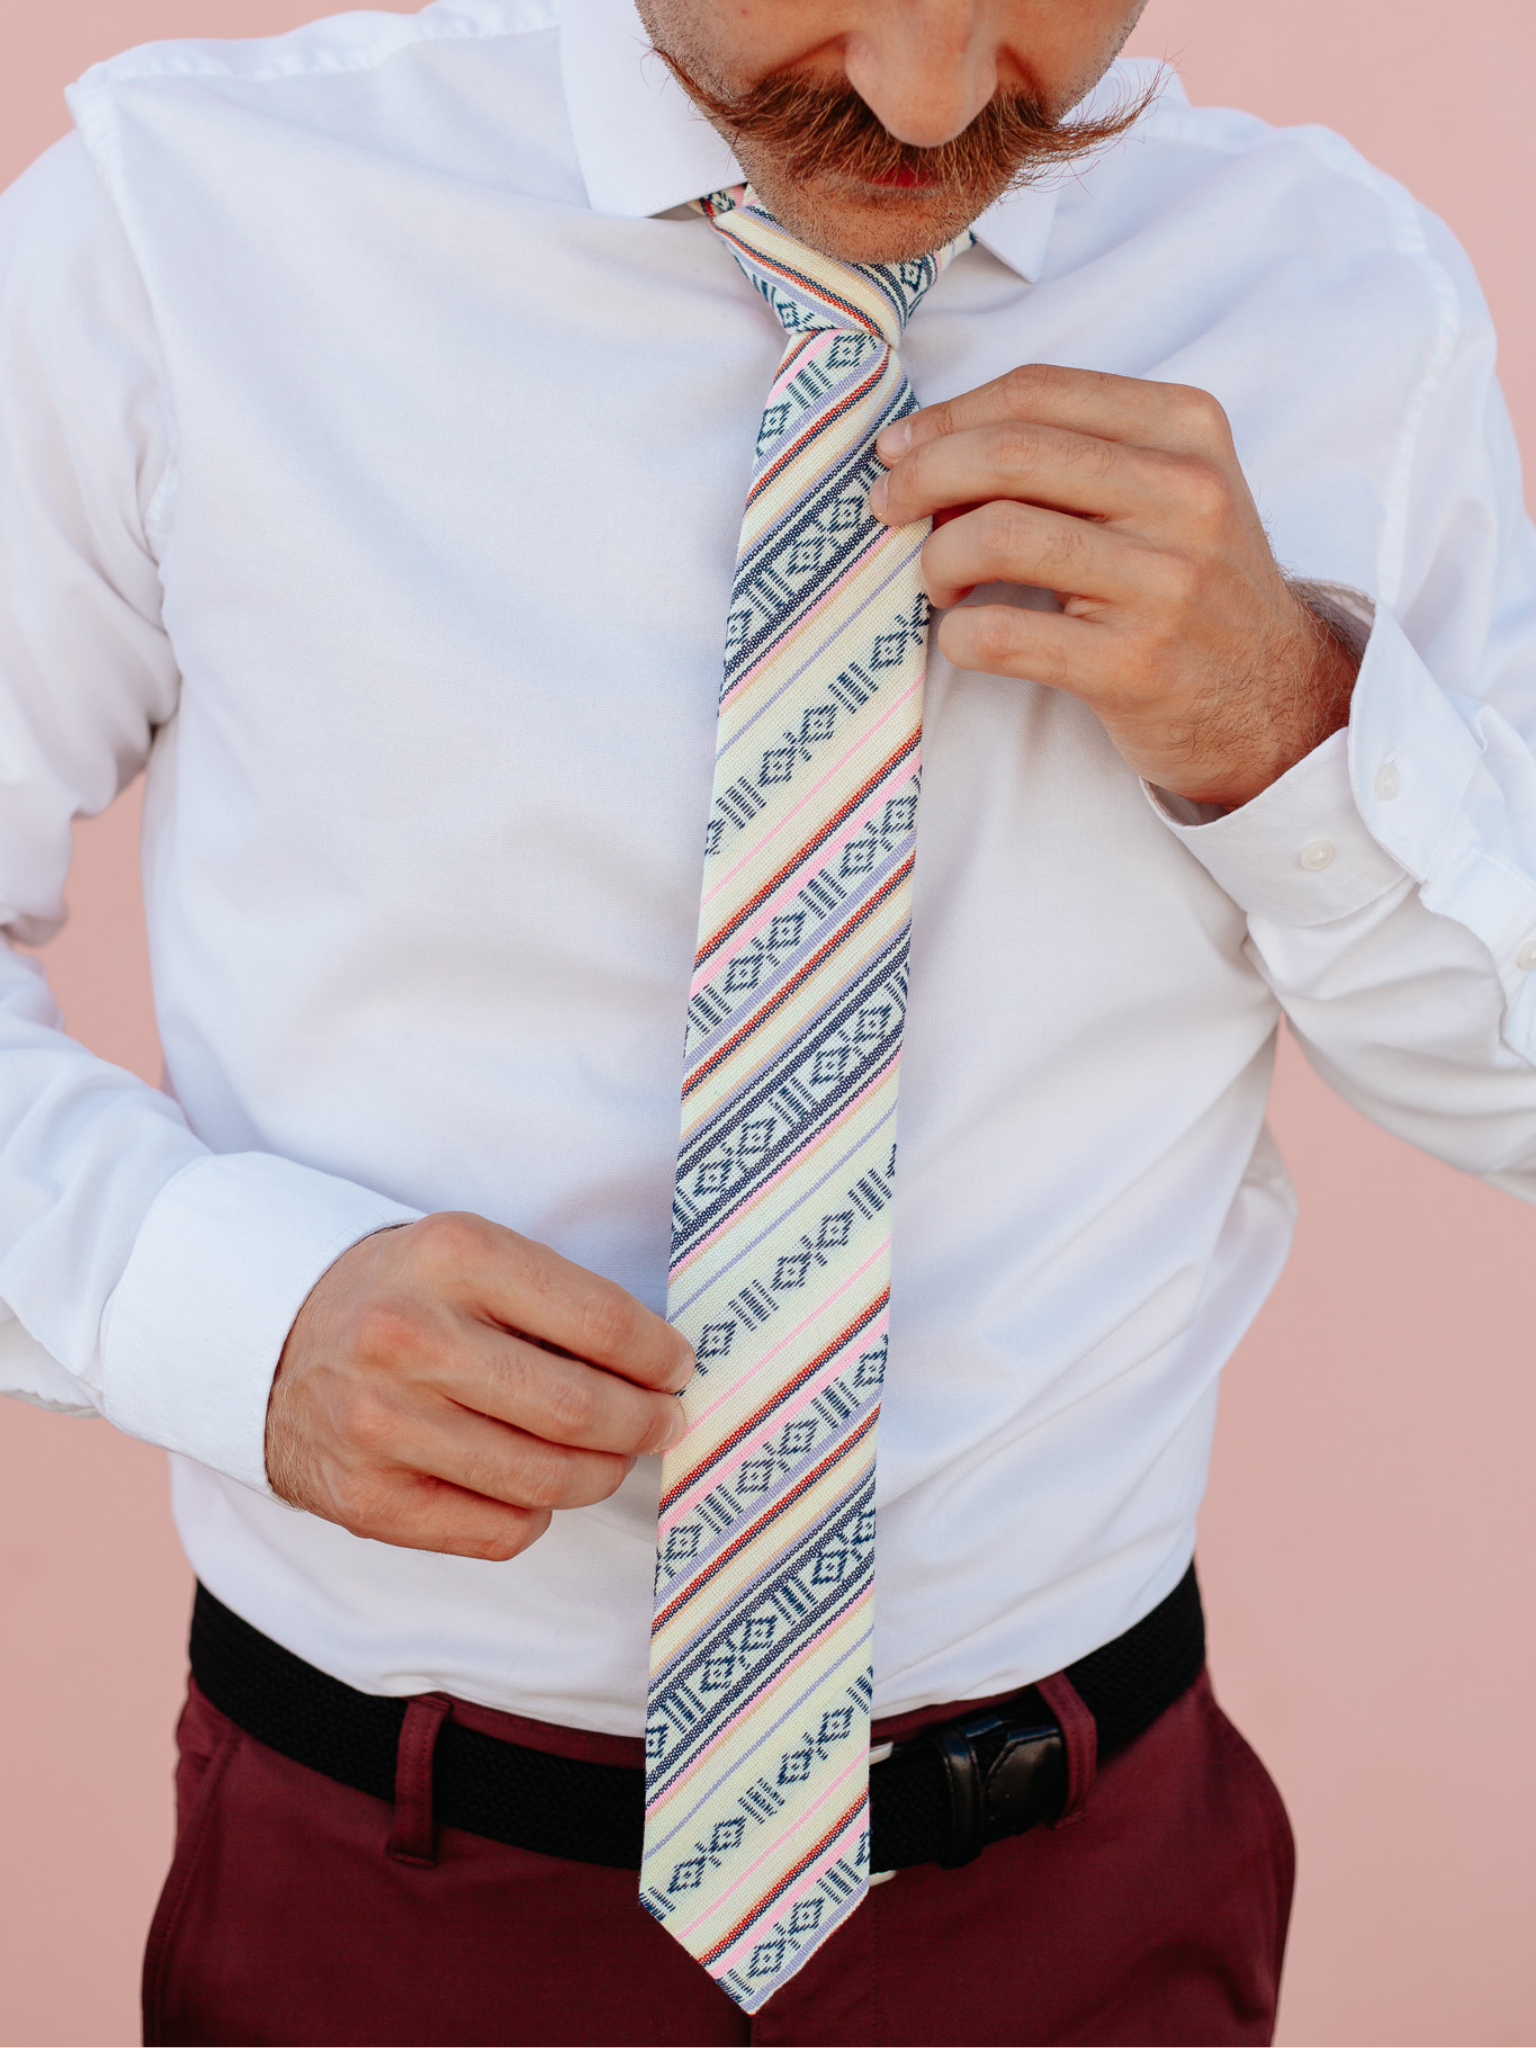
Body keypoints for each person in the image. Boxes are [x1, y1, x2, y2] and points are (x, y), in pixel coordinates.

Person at [2, 0, 1533, 2039]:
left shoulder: (1337, 302)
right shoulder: (179, 227)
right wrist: (208, 1306)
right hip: (393, 1893)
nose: (921, 100)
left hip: (1084, 1897)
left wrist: (1294, 726)